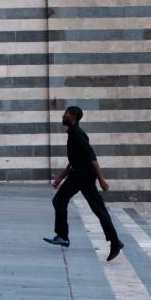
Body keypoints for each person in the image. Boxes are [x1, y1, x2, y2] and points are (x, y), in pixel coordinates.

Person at [43, 106, 123, 261]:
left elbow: (92, 158)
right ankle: (115, 241)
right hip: (80, 175)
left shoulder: (79, 135)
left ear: (72, 117)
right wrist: (60, 178)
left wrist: (101, 179)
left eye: (66, 114)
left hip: (82, 176)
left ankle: (62, 236)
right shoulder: (73, 134)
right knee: (98, 209)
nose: (63, 115)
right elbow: (74, 161)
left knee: (59, 200)